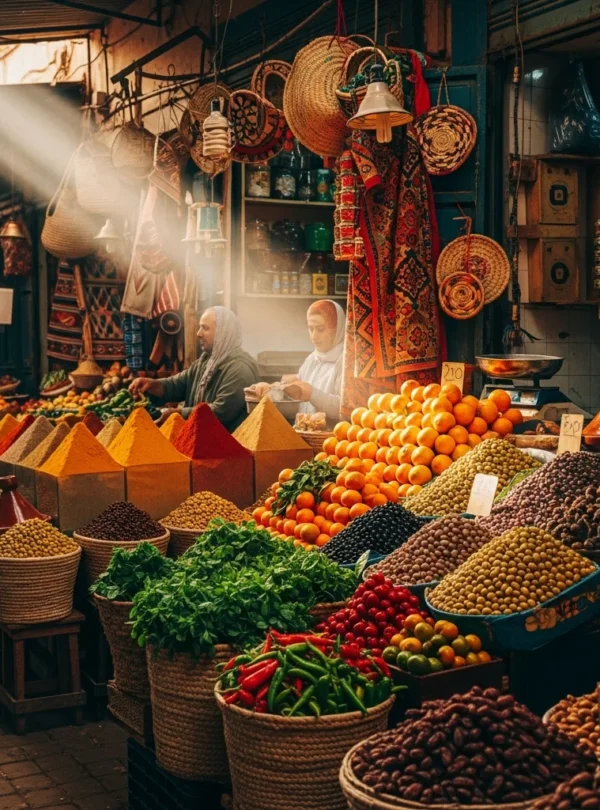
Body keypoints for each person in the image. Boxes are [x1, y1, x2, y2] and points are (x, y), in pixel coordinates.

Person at [130, 306, 258, 432]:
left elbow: (222, 411)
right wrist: (151, 385)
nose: (198, 334)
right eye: (200, 327)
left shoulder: (240, 369)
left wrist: (180, 413)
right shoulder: (205, 362)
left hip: (228, 442)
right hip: (201, 437)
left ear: (224, 333)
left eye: (205, 328)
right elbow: (177, 385)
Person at [282, 299, 345, 423]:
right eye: (311, 329)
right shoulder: (311, 359)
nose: (314, 336)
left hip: (332, 434)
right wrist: (271, 391)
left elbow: (346, 409)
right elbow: (299, 393)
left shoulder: (346, 362)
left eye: (321, 329)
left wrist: (312, 394)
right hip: (305, 432)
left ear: (336, 329)